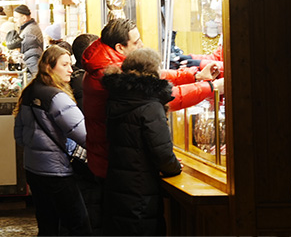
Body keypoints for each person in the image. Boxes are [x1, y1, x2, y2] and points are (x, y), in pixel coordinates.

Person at [81, 18, 221, 181]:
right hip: (116, 165)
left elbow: (154, 77)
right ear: (120, 47)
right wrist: (211, 87)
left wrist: (194, 76)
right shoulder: (110, 74)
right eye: (136, 42)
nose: (141, 45)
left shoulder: (105, 63)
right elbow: (164, 96)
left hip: (112, 160)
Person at [101, 48, 182, 235]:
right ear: (153, 71)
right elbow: (162, 153)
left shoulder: (117, 97)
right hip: (141, 190)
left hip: (118, 185)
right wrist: (175, 167)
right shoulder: (151, 106)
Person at [13, 45, 91, 236]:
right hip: (57, 171)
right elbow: (85, 136)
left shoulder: (29, 92)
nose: (70, 69)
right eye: (64, 65)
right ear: (49, 67)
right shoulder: (57, 97)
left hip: (33, 169)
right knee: (79, 225)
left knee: (47, 224)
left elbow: (19, 135)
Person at [7, 5, 44, 77]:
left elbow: (35, 73)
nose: (14, 20)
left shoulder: (29, 31)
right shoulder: (28, 28)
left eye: (16, 18)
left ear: (24, 18)